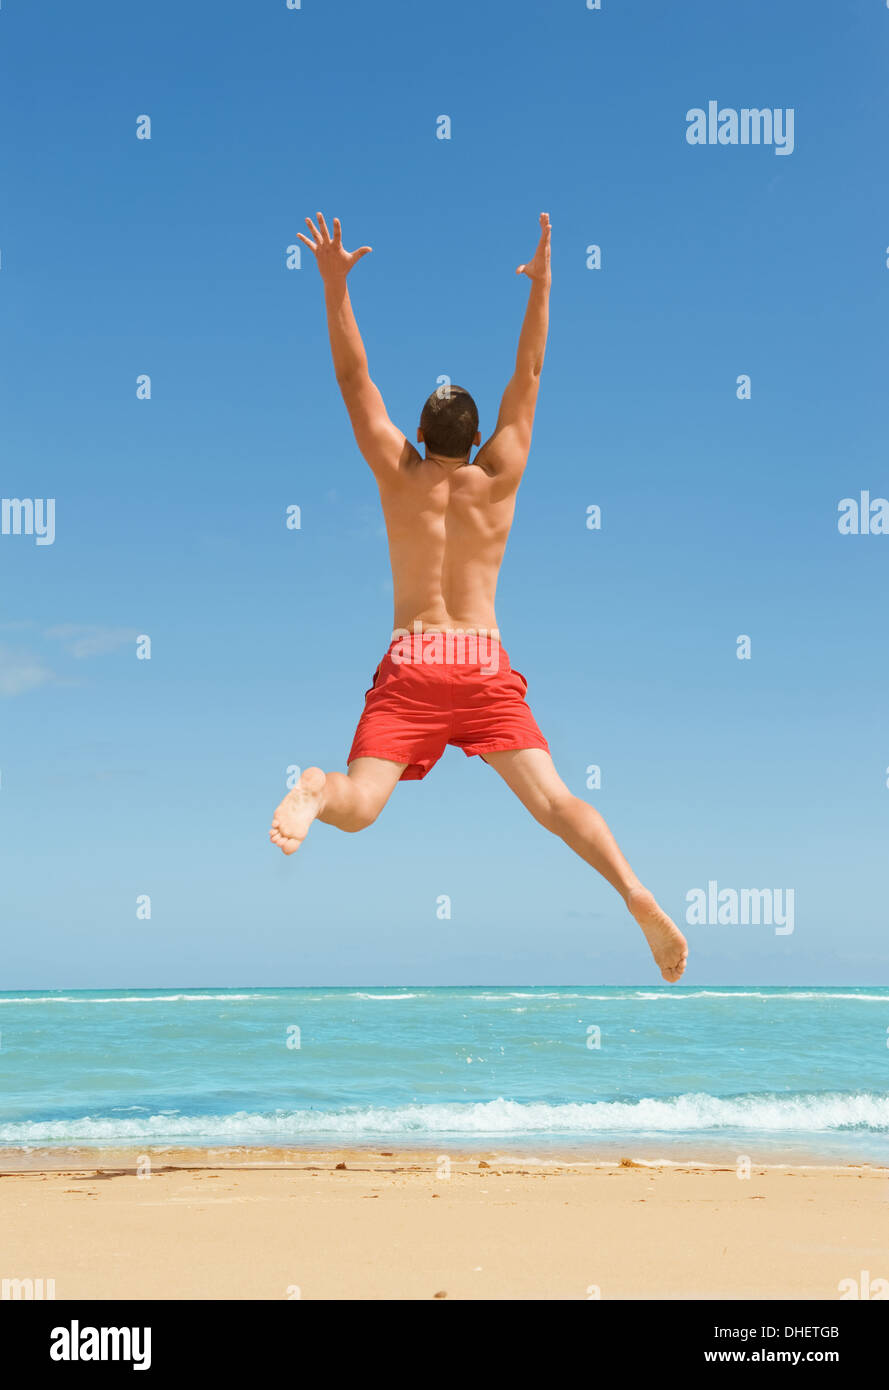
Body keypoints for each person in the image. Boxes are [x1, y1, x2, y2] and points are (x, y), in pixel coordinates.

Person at [270, 212, 687, 983]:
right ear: (476, 438)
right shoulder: (499, 476)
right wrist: (543, 289)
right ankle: (632, 891)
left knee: (360, 806)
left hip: (413, 658)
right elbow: (526, 379)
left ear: (421, 433)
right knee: (556, 803)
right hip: (481, 659)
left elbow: (352, 381)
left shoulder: (399, 476)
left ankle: (316, 789)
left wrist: (334, 285)